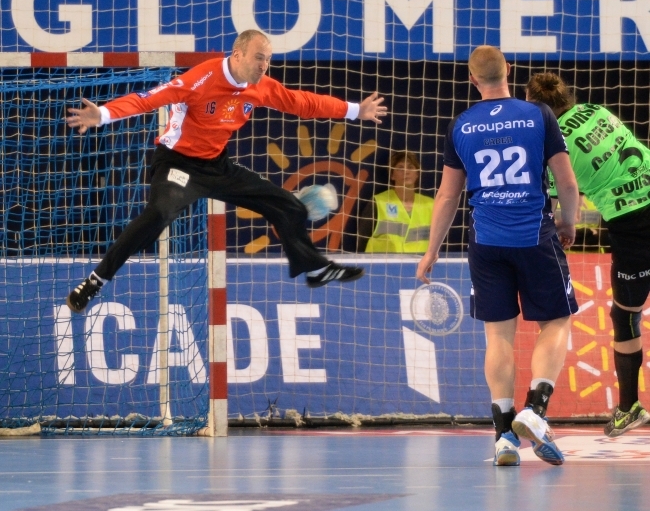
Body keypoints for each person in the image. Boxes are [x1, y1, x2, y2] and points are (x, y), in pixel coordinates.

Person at [65, 29, 387, 314]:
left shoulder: (259, 86)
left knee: (287, 205)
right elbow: (149, 99)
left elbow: (303, 102)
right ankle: (96, 280)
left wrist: (357, 110)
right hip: (178, 165)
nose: (265, 65)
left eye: (268, 59)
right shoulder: (200, 80)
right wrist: (105, 114)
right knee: (159, 214)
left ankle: (313, 269)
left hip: (218, 166)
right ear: (238, 54)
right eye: (259, 58)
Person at [416, 46, 579, 467]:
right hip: (533, 236)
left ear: (472, 79)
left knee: (498, 336)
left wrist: (430, 252)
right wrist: (569, 222)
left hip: (486, 242)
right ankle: (536, 410)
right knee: (556, 321)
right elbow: (566, 181)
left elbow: (448, 195)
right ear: (509, 70)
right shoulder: (539, 114)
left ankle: (504, 435)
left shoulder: (461, 125)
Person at [526, 72, 650, 437]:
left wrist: (567, 225)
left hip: (634, 223)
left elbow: (561, 192)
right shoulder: (597, 110)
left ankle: (629, 407)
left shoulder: (555, 142)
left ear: (535, 107)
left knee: (625, 316)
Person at [357, 151, 434, 253]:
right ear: (392, 175)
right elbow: (362, 242)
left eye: (410, 167)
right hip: (382, 267)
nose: (406, 171)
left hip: (421, 266)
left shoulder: (431, 205)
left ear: (417, 174)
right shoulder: (378, 202)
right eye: (400, 168)